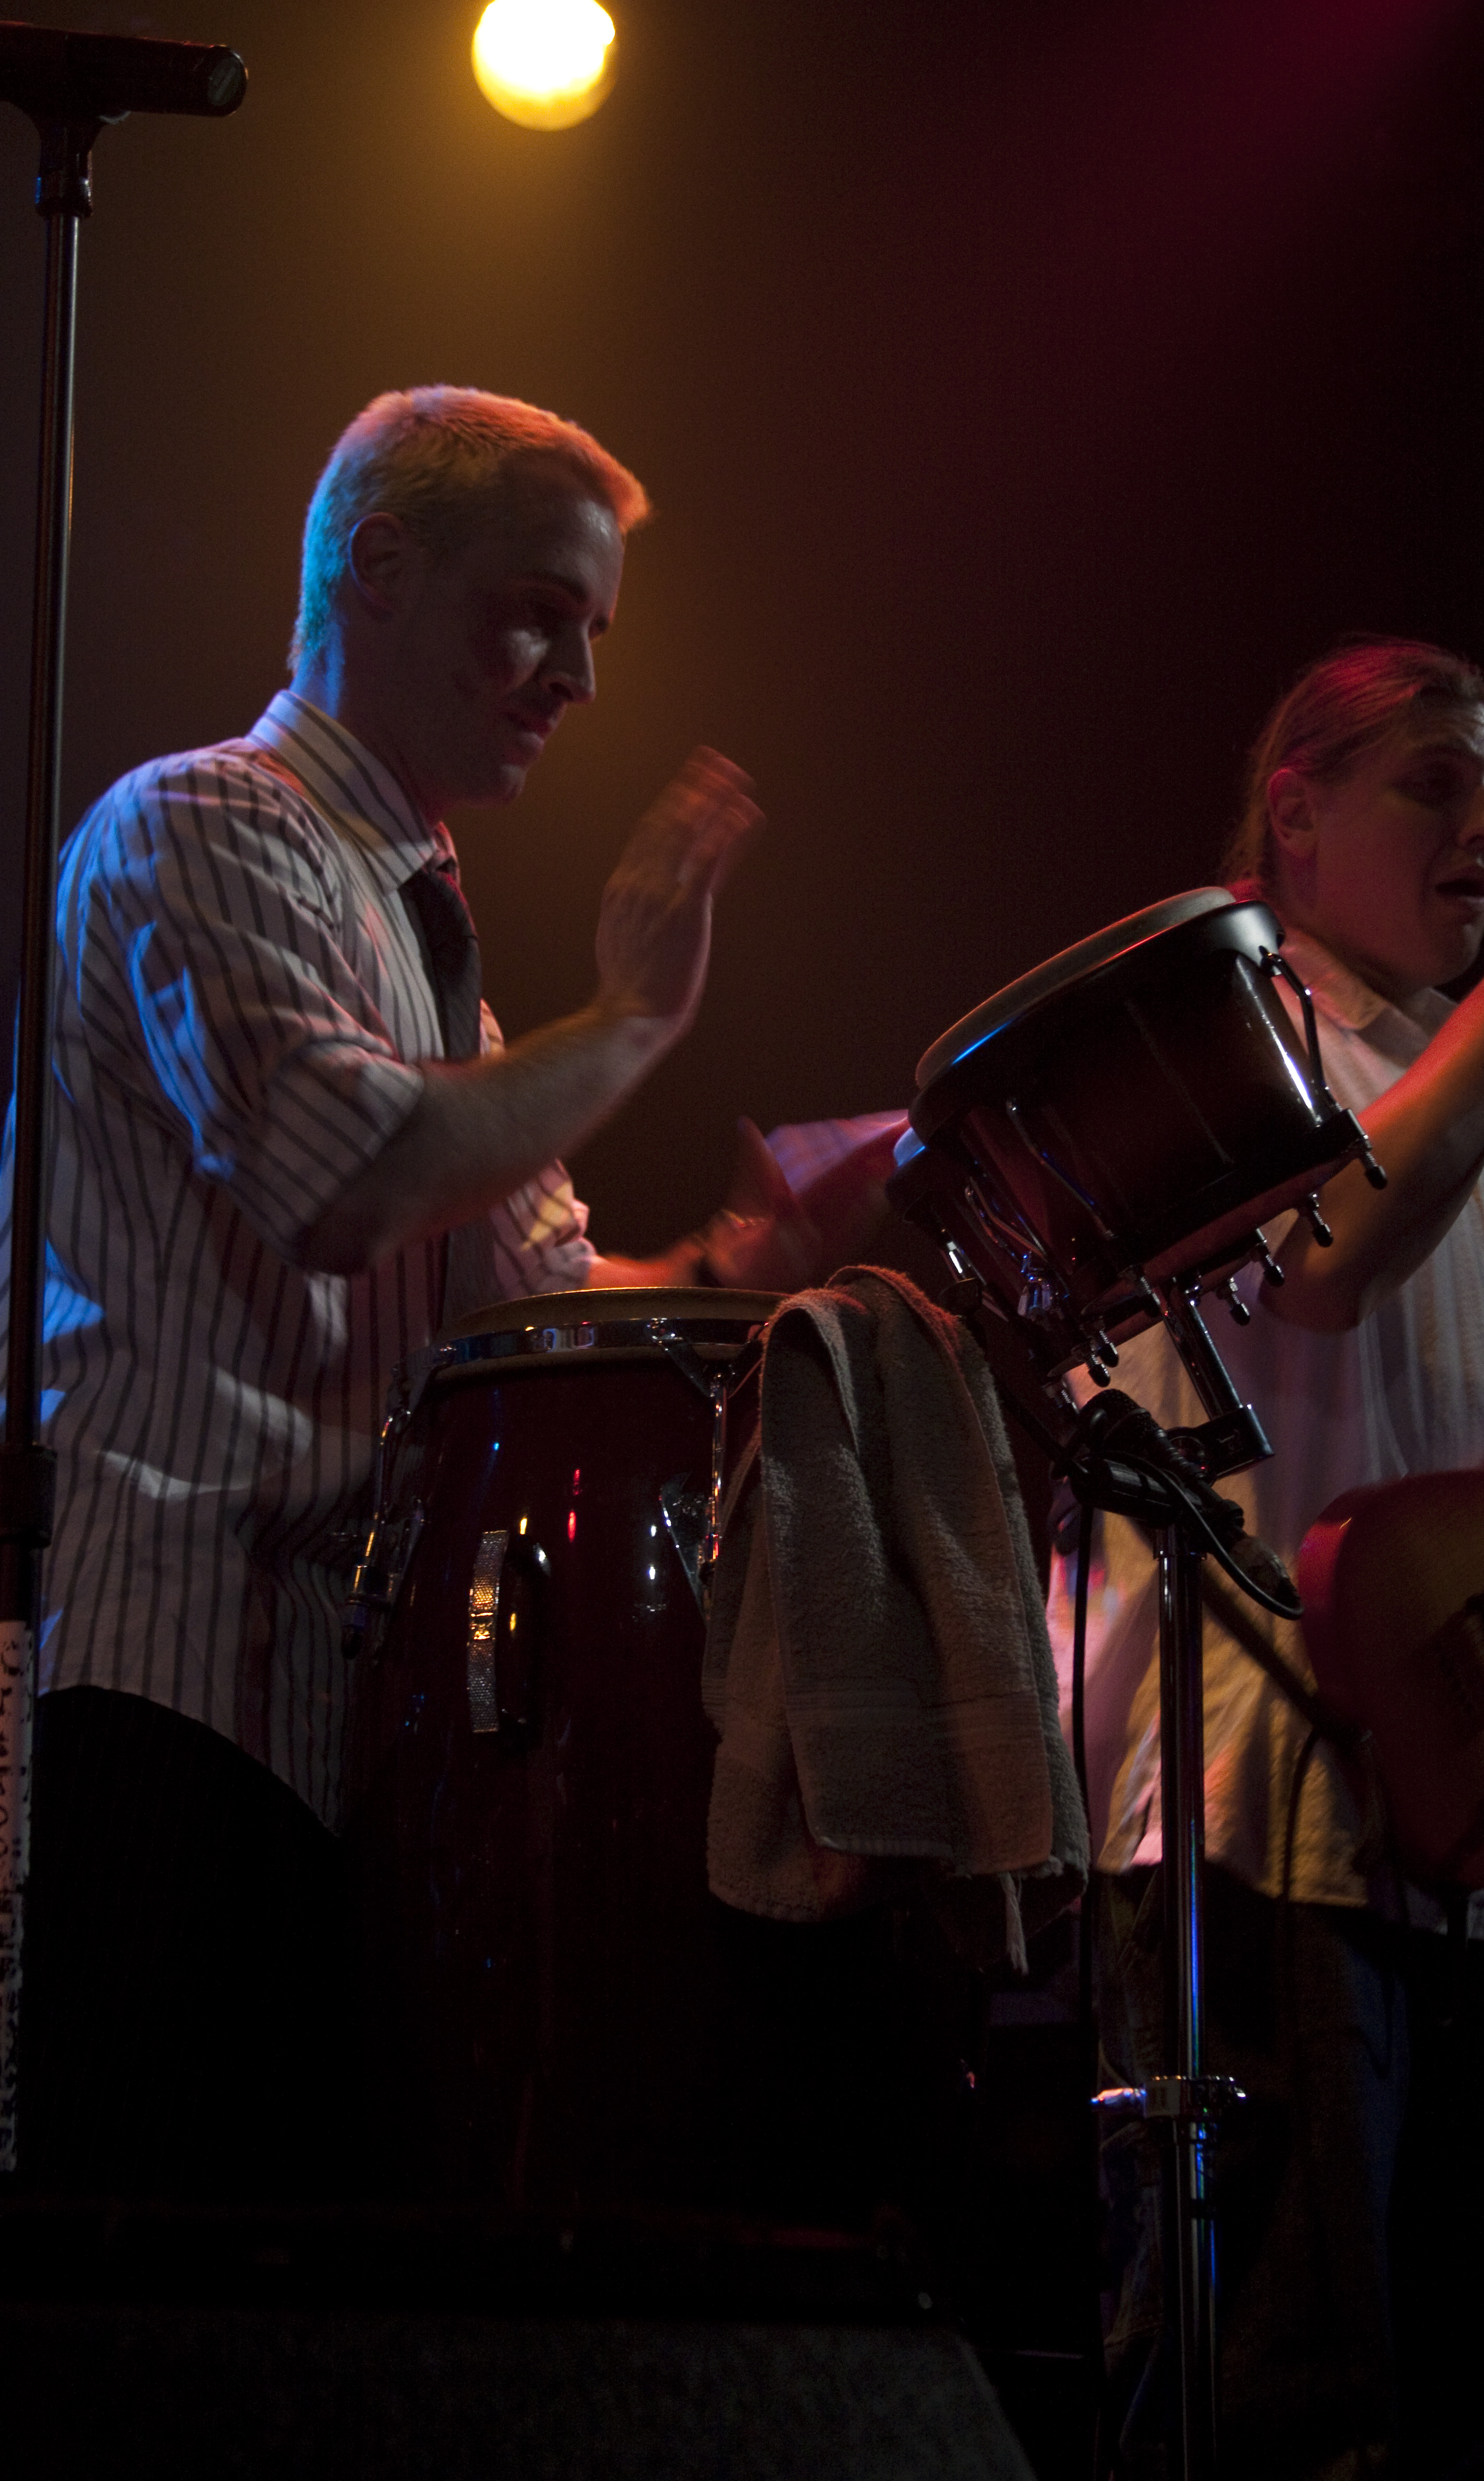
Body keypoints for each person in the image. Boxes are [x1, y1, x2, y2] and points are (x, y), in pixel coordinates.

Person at [3, 385, 865, 2200]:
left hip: (339, 1723)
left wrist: (752, 1265)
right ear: (380, 568)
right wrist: (632, 1023)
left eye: (593, 628)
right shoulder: (201, 823)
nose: (580, 679)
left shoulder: (417, 930)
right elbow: (355, 1180)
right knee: (148, 2294)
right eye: (540, 613)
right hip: (166, 1697)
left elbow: (531, 1305)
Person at [1051, 640, 1484, 2477]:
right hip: (1279, 1827)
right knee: (1296, 2408)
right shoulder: (1223, 1020)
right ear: (1297, 817)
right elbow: (1320, 1262)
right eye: (1436, 784)